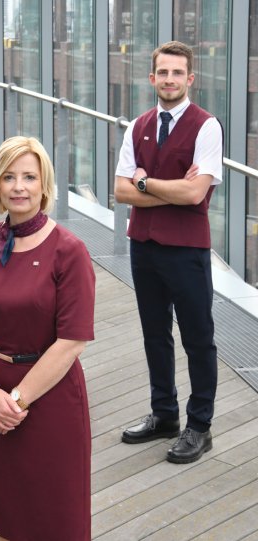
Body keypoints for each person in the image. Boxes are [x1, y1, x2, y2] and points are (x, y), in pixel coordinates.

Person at [0, 136, 95, 541]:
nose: (19, 187)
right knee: (7, 516)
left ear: (44, 185)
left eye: (29, 177)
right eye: (9, 177)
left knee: (53, 520)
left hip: (47, 398)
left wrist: (15, 402)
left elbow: (72, 342)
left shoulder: (69, 251)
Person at [114, 41, 222, 464]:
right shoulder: (137, 126)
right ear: (152, 77)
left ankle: (200, 426)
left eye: (178, 73)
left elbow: (195, 194)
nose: (170, 79)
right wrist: (173, 190)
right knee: (155, 334)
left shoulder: (206, 126)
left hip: (187, 251)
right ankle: (164, 415)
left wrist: (144, 183)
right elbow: (121, 191)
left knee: (198, 338)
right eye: (163, 72)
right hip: (143, 247)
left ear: (190, 78)